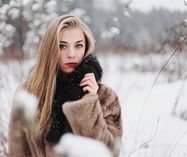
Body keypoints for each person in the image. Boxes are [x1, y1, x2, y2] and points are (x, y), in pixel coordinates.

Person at [8, 14, 123, 157]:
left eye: (78, 45)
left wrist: (88, 103)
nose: (71, 54)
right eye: (62, 46)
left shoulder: (105, 97)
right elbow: (18, 151)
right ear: (50, 49)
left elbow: (110, 152)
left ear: (86, 47)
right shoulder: (30, 92)